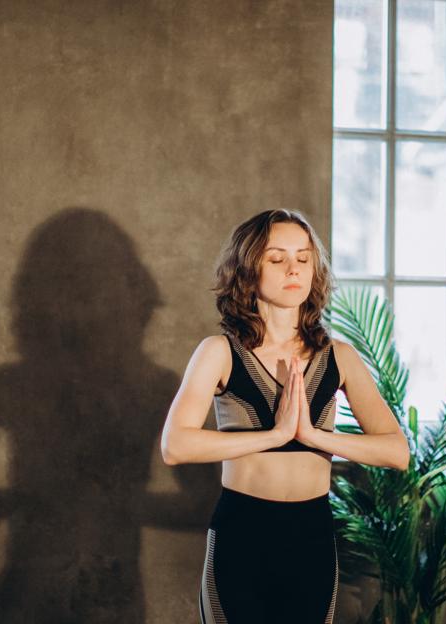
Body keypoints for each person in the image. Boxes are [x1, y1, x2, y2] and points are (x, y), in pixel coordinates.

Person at [160, 209, 410, 623]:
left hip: (311, 537)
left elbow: (396, 451)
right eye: (277, 259)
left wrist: (314, 436)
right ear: (248, 268)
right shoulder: (218, 352)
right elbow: (175, 445)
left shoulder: (340, 358)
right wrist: (275, 434)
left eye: (304, 257)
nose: (293, 268)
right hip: (242, 536)